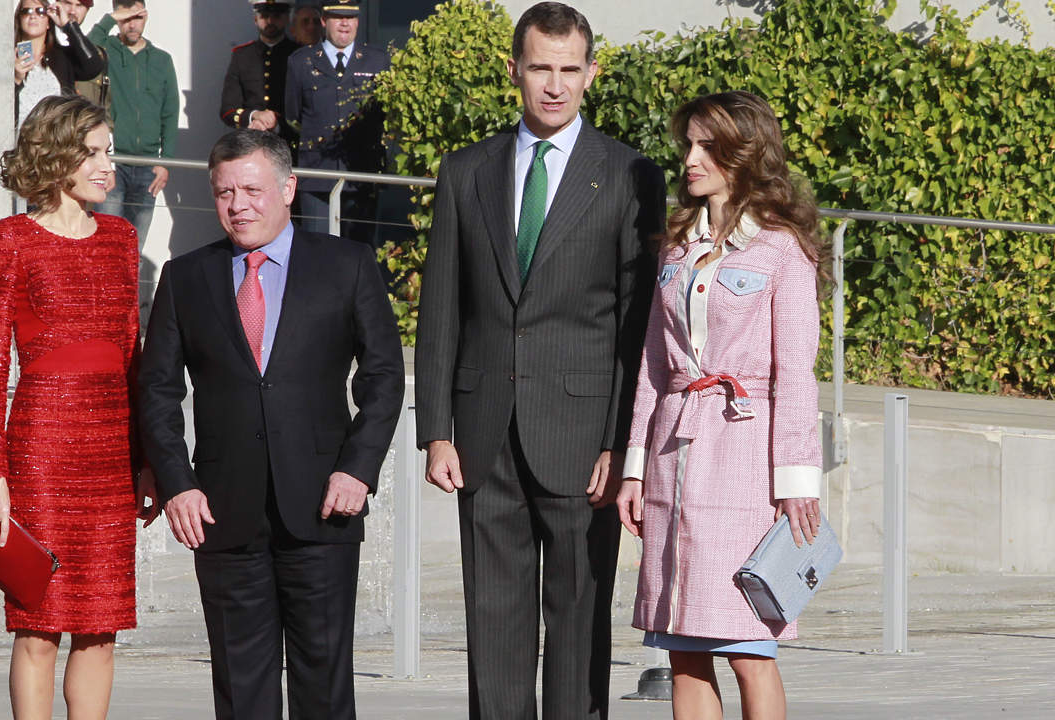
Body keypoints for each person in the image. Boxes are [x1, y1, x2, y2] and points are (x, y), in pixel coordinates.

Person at [413, 3, 666, 718]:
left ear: (591, 73)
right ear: (514, 70)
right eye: (539, 68)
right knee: (493, 629)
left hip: (586, 442)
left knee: (579, 627)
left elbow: (636, 325)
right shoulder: (466, 172)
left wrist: (623, 445)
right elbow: (442, 309)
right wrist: (437, 427)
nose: (554, 85)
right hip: (482, 433)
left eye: (568, 70)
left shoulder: (629, 175)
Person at [138, 129, 404, 719]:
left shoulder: (347, 265)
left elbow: (384, 376)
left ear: (289, 188)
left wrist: (358, 470)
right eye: (224, 192)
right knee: (241, 690)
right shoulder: (186, 278)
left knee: (325, 687)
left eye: (252, 189)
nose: (239, 205)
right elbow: (156, 390)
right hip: (223, 513)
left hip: (322, 506)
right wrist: (177, 481)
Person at [615, 90, 826, 720]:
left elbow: (797, 375)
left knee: (750, 644)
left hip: (746, 466)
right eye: (689, 144)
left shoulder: (784, 251)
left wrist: (795, 482)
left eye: (707, 146)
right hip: (671, 460)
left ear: (744, 154)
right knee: (682, 646)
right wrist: (632, 465)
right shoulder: (676, 246)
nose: (690, 158)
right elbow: (654, 365)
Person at [0, 94, 159, 720]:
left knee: (102, 625)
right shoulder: (10, 240)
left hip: (110, 455)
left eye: (110, 151)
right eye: (97, 152)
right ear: (58, 157)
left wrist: (146, 460)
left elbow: (133, 355)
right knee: (38, 623)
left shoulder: (120, 238)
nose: (111, 165)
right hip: (41, 451)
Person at [284, 0, 388, 245]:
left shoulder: (378, 61)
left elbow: (385, 117)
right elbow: (293, 116)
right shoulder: (300, 62)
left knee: (360, 252)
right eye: (338, 16)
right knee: (316, 249)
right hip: (316, 171)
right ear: (323, 20)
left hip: (361, 173)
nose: (345, 23)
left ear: (358, 21)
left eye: (350, 17)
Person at [89, 0, 180, 243]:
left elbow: (170, 112)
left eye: (137, 17)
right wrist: (111, 17)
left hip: (148, 165)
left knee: (133, 247)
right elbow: (87, 47)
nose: (132, 24)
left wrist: (165, 162)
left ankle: (132, 284)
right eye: (126, 18)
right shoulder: (106, 50)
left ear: (146, 17)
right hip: (113, 161)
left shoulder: (162, 60)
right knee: (105, 242)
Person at [13, 0, 105, 127]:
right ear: (19, 18)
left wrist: (68, 26)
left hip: (55, 140)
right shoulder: (8, 57)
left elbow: (93, 67)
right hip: (19, 140)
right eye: (26, 11)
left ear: (48, 22)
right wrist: (16, 80)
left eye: (40, 11)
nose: (32, 15)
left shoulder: (62, 57)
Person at [221, 1, 301, 146]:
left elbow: (307, 109)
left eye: (276, 16)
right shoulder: (242, 55)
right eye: (264, 16)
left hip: (289, 144)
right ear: (255, 19)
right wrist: (254, 116)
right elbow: (227, 110)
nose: (270, 21)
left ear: (287, 18)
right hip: (250, 142)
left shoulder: (299, 55)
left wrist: (276, 123)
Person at [59, 0, 113, 116]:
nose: (72, 11)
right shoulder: (43, 46)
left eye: (79, 5)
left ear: (87, 10)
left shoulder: (97, 55)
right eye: (68, 3)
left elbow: (104, 106)